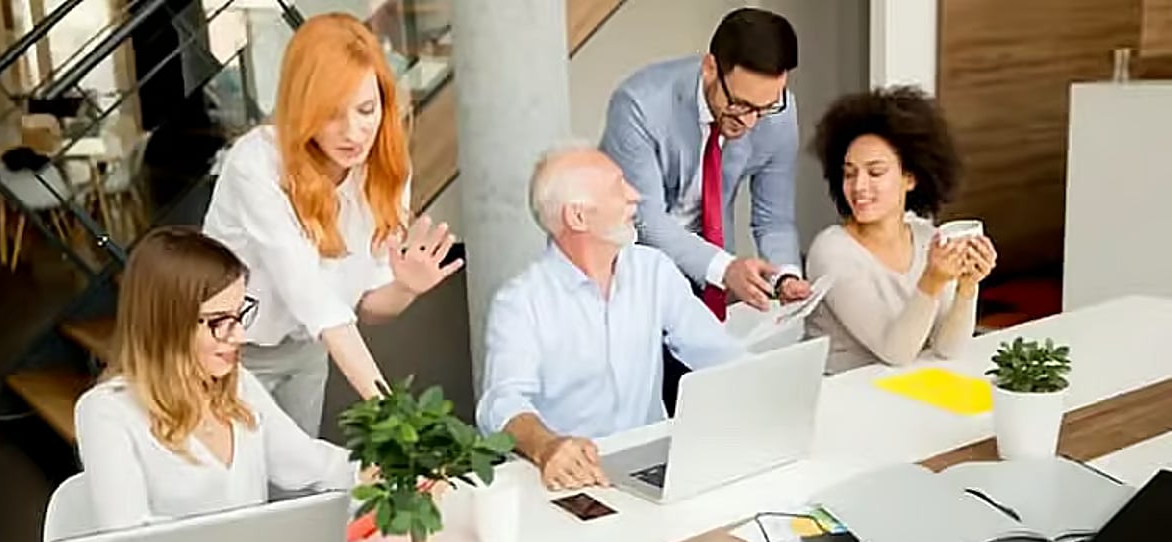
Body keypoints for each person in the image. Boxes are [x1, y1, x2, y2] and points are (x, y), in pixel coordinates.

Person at [203, 13, 462, 436]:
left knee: (300, 470)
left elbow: (366, 308)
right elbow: (313, 300)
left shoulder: (384, 171)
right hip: (228, 348)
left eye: (366, 110)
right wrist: (394, 418)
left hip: (307, 348)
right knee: (239, 472)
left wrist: (405, 287)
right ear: (302, 109)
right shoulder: (257, 164)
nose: (353, 132)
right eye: (331, 114)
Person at [475, 145, 746, 492]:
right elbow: (501, 403)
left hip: (655, 469)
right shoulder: (520, 301)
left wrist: (779, 389)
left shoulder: (654, 270)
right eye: (618, 186)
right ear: (578, 217)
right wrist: (546, 446)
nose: (635, 196)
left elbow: (720, 355)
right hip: (570, 481)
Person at [73, 228, 359, 531]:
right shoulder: (106, 412)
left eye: (240, 314)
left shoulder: (238, 385)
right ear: (167, 324)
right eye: (220, 321)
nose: (239, 335)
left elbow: (309, 463)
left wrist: (378, 473)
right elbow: (128, 537)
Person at [599, 7, 810, 410]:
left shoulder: (778, 112)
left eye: (766, 107)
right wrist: (726, 269)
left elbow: (774, 217)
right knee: (648, 405)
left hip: (706, 266)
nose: (752, 122)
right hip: (632, 270)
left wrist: (786, 276)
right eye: (741, 105)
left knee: (711, 398)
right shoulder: (640, 105)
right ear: (711, 68)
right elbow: (645, 220)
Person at [804, 86, 998, 374]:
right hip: (843, 391)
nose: (858, 186)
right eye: (849, 173)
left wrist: (968, 286)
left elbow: (948, 348)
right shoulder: (831, 251)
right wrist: (933, 279)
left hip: (906, 387)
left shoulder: (926, 237)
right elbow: (895, 352)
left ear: (910, 177)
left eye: (875, 172)